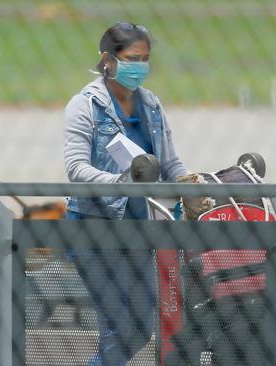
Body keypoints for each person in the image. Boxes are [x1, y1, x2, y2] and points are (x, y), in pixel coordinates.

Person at [63, 21, 190, 365]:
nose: (140, 67)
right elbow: (76, 168)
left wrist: (189, 183)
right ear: (108, 59)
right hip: (95, 228)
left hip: (139, 230)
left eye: (145, 59)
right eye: (133, 58)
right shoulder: (85, 105)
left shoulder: (150, 105)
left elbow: (170, 161)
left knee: (137, 329)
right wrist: (121, 180)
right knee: (121, 328)